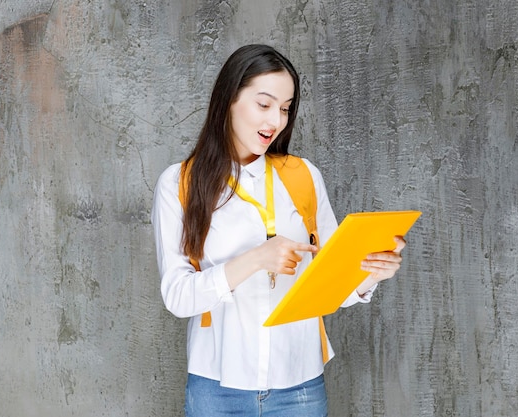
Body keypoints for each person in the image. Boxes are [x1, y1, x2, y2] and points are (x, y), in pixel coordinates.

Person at [151, 44, 406, 417]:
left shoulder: (303, 176)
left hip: (299, 385)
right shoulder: (179, 183)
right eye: (264, 104)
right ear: (229, 99)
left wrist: (370, 275)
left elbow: (330, 283)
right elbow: (177, 296)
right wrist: (256, 259)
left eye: (285, 108)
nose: (276, 120)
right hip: (216, 388)